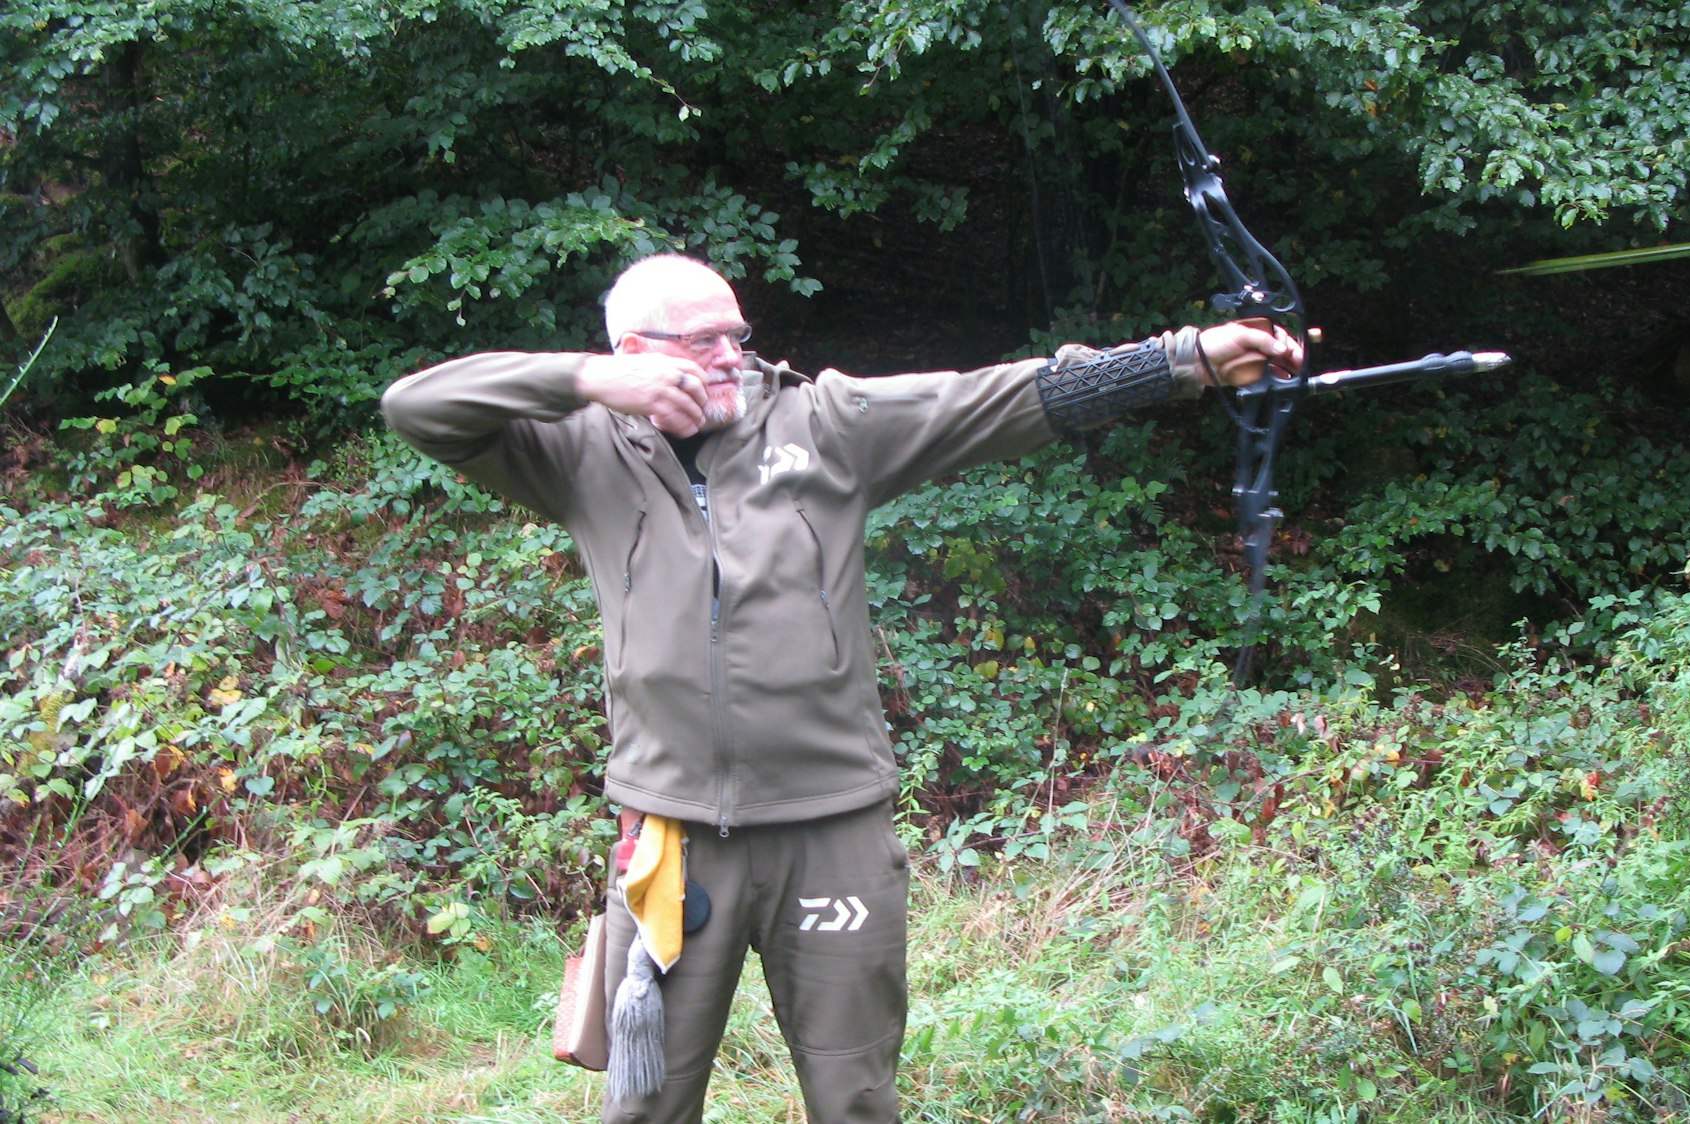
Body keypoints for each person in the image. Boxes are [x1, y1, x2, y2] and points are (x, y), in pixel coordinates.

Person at [379, 253, 1302, 1123]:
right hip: (670, 838)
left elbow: (994, 398)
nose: (730, 356)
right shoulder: (577, 451)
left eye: (737, 334)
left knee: (854, 1097)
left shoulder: (822, 424)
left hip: (832, 831)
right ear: (633, 353)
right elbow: (416, 407)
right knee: (644, 1102)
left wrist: (1187, 359)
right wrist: (586, 382)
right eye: (703, 340)